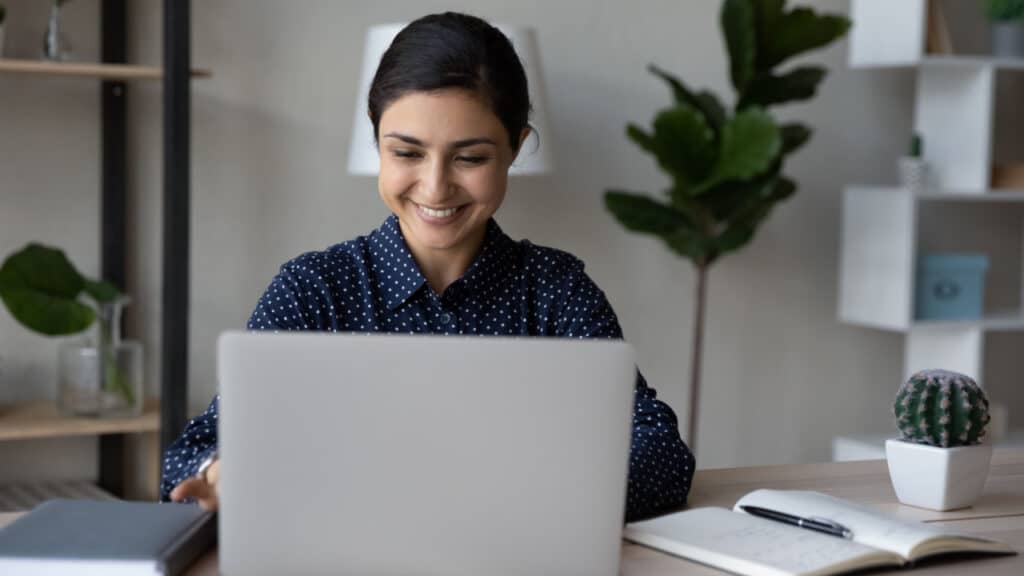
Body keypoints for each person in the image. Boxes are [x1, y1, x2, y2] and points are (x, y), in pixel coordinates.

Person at [161, 11, 694, 522]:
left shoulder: (555, 291)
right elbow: (194, 453)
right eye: (407, 153)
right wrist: (219, 473)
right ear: (377, 144)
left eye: (471, 158)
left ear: (516, 149)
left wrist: (537, 501)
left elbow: (659, 449)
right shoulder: (313, 289)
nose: (435, 187)